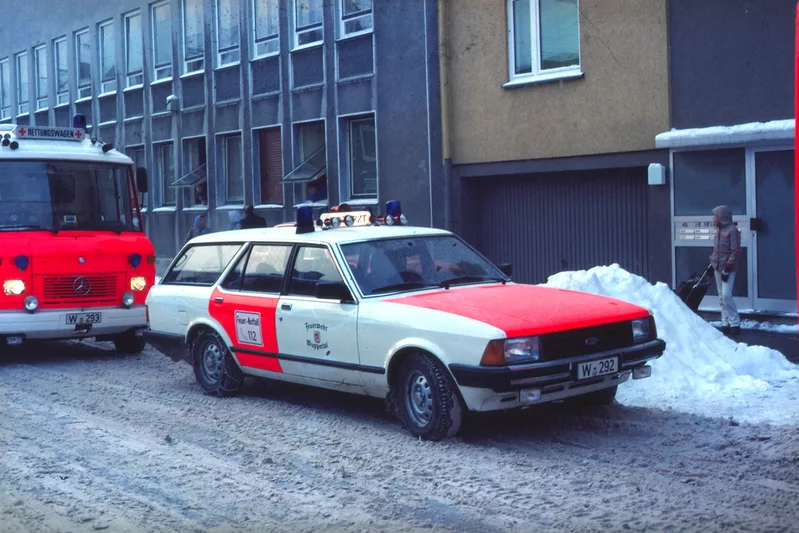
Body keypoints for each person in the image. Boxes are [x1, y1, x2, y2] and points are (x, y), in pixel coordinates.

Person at [710, 205, 741, 336]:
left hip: (728, 268)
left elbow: (735, 251)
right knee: (721, 296)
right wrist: (713, 263)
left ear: (721, 217)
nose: (713, 219)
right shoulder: (718, 230)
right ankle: (725, 322)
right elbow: (716, 250)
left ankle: (735, 323)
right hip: (717, 267)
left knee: (726, 295)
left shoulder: (733, 231)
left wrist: (728, 267)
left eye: (715, 216)